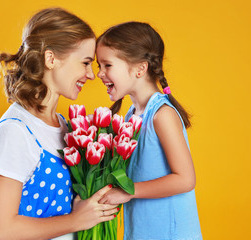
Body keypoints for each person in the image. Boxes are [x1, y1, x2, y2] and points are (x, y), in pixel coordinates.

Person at [0, 8, 118, 240]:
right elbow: (2, 231)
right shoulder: (15, 131)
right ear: (51, 59)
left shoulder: (65, 126)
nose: (91, 74)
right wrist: (76, 220)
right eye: (85, 63)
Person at [96, 22, 202, 240]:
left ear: (140, 69)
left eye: (107, 65)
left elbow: (185, 180)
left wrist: (126, 191)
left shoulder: (162, 115)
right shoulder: (131, 115)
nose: (99, 73)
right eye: (99, 65)